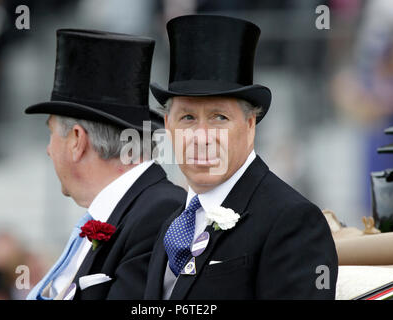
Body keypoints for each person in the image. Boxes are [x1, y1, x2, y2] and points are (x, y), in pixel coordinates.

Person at [144, 15, 338, 300]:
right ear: (168, 126)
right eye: (187, 118)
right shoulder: (173, 224)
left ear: (250, 126)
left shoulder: (293, 221)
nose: (201, 136)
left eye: (219, 117)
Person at [25, 29, 185, 300]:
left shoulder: (159, 212)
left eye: (50, 133)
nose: (48, 149)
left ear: (77, 140)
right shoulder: (134, 210)